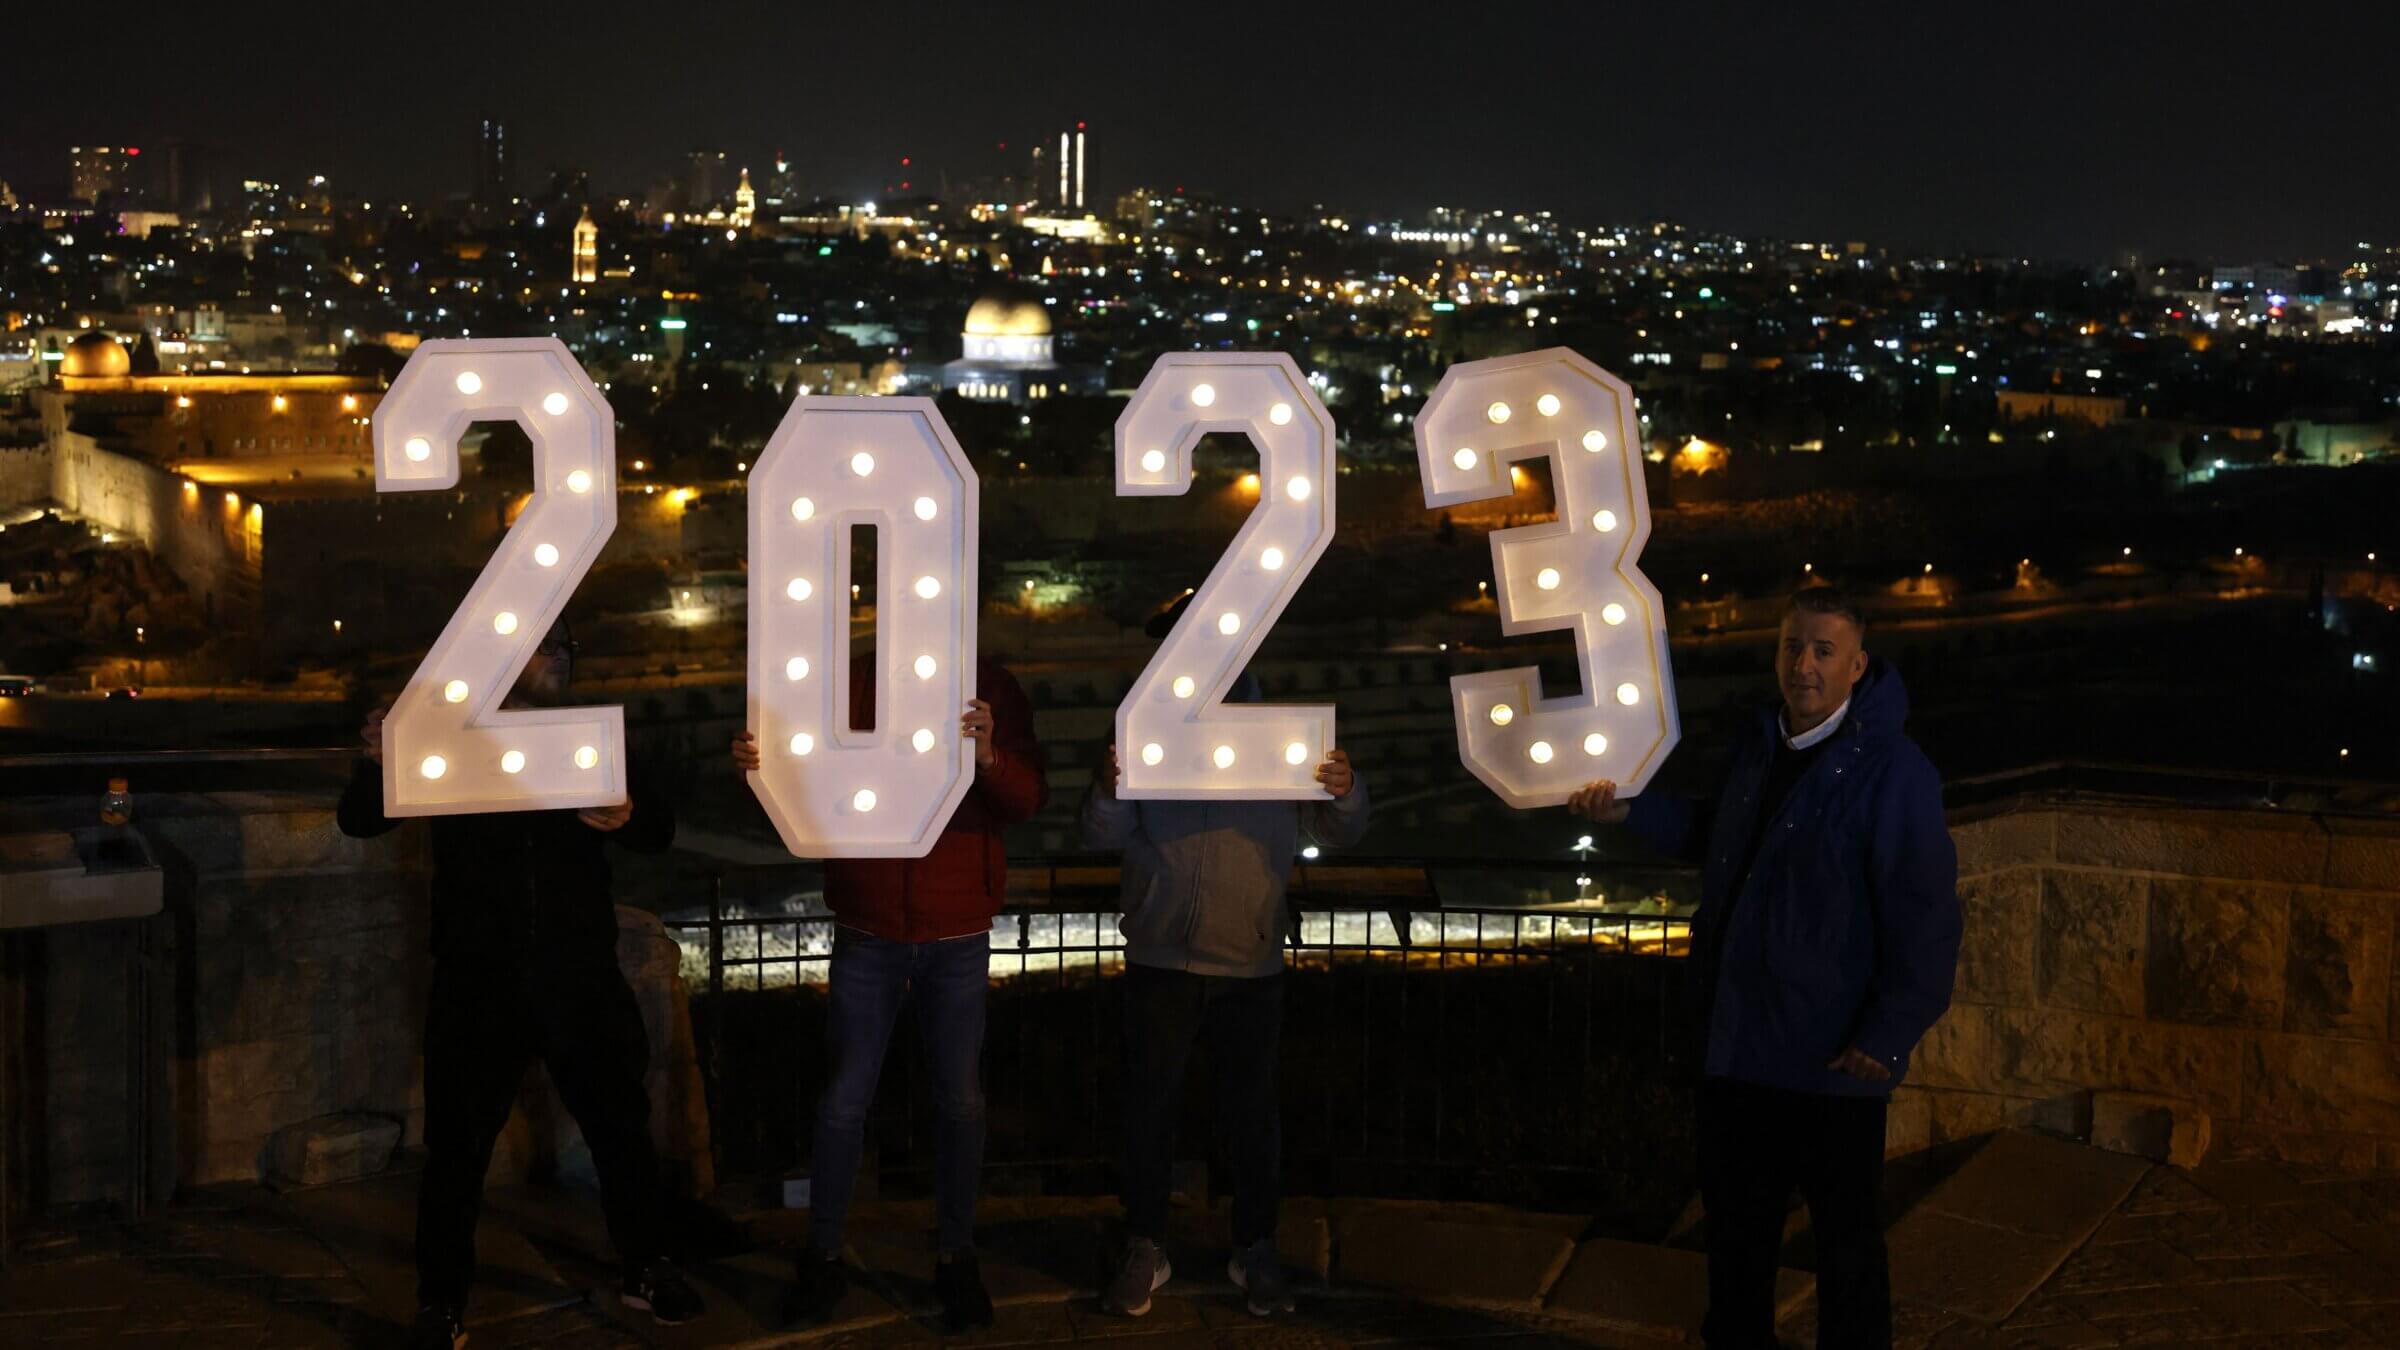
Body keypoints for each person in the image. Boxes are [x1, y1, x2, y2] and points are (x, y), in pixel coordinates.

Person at [1568, 586, 1959, 1350]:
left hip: (1831, 1060)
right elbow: (1720, 837)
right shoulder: (1761, 747)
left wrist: (1885, 1037)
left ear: (1857, 666)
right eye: (1791, 647)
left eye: (1822, 651)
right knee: (1738, 1243)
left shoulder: (1895, 773)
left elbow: (1926, 917)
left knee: (1846, 1249)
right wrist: (1631, 811)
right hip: (1741, 1048)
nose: (1803, 666)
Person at [338, 622, 703, 1350]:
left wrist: (628, 812)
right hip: (480, 975)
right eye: (547, 646)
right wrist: (381, 761)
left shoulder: (587, 734)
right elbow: (358, 819)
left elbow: (657, 827)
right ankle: (441, 1305)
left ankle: (646, 1266)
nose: (563, 657)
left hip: (579, 971)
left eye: (570, 646)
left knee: (619, 1130)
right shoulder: (449, 733)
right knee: (458, 1152)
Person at [729, 653, 1046, 1332]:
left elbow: (1026, 800)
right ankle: (825, 1256)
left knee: (957, 1101)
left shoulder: (990, 685)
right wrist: (765, 770)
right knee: (845, 1101)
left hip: (955, 931)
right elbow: (804, 784)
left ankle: (955, 1257)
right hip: (870, 928)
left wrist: (990, 758)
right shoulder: (849, 681)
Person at [1079, 606, 1370, 1321]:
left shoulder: (1279, 739)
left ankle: (1256, 1246)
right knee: (1150, 1114)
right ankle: (1148, 1244)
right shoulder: (1144, 730)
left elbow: (1340, 830)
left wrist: (1345, 788)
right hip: (1162, 961)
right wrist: (1109, 785)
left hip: (1249, 967)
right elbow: (1097, 832)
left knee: (1251, 1121)